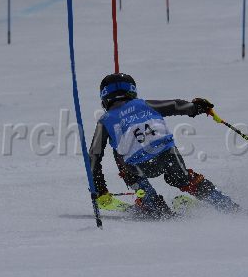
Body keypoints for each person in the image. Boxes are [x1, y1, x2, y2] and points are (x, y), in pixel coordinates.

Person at [89, 73, 239, 216]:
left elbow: (94, 156)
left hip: (138, 166)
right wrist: (196, 107)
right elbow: (175, 105)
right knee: (183, 179)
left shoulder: (105, 120)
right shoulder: (144, 104)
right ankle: (227, 205)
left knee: (118, 150)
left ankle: (150, 201)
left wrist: (99, 189)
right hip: (168, 155)